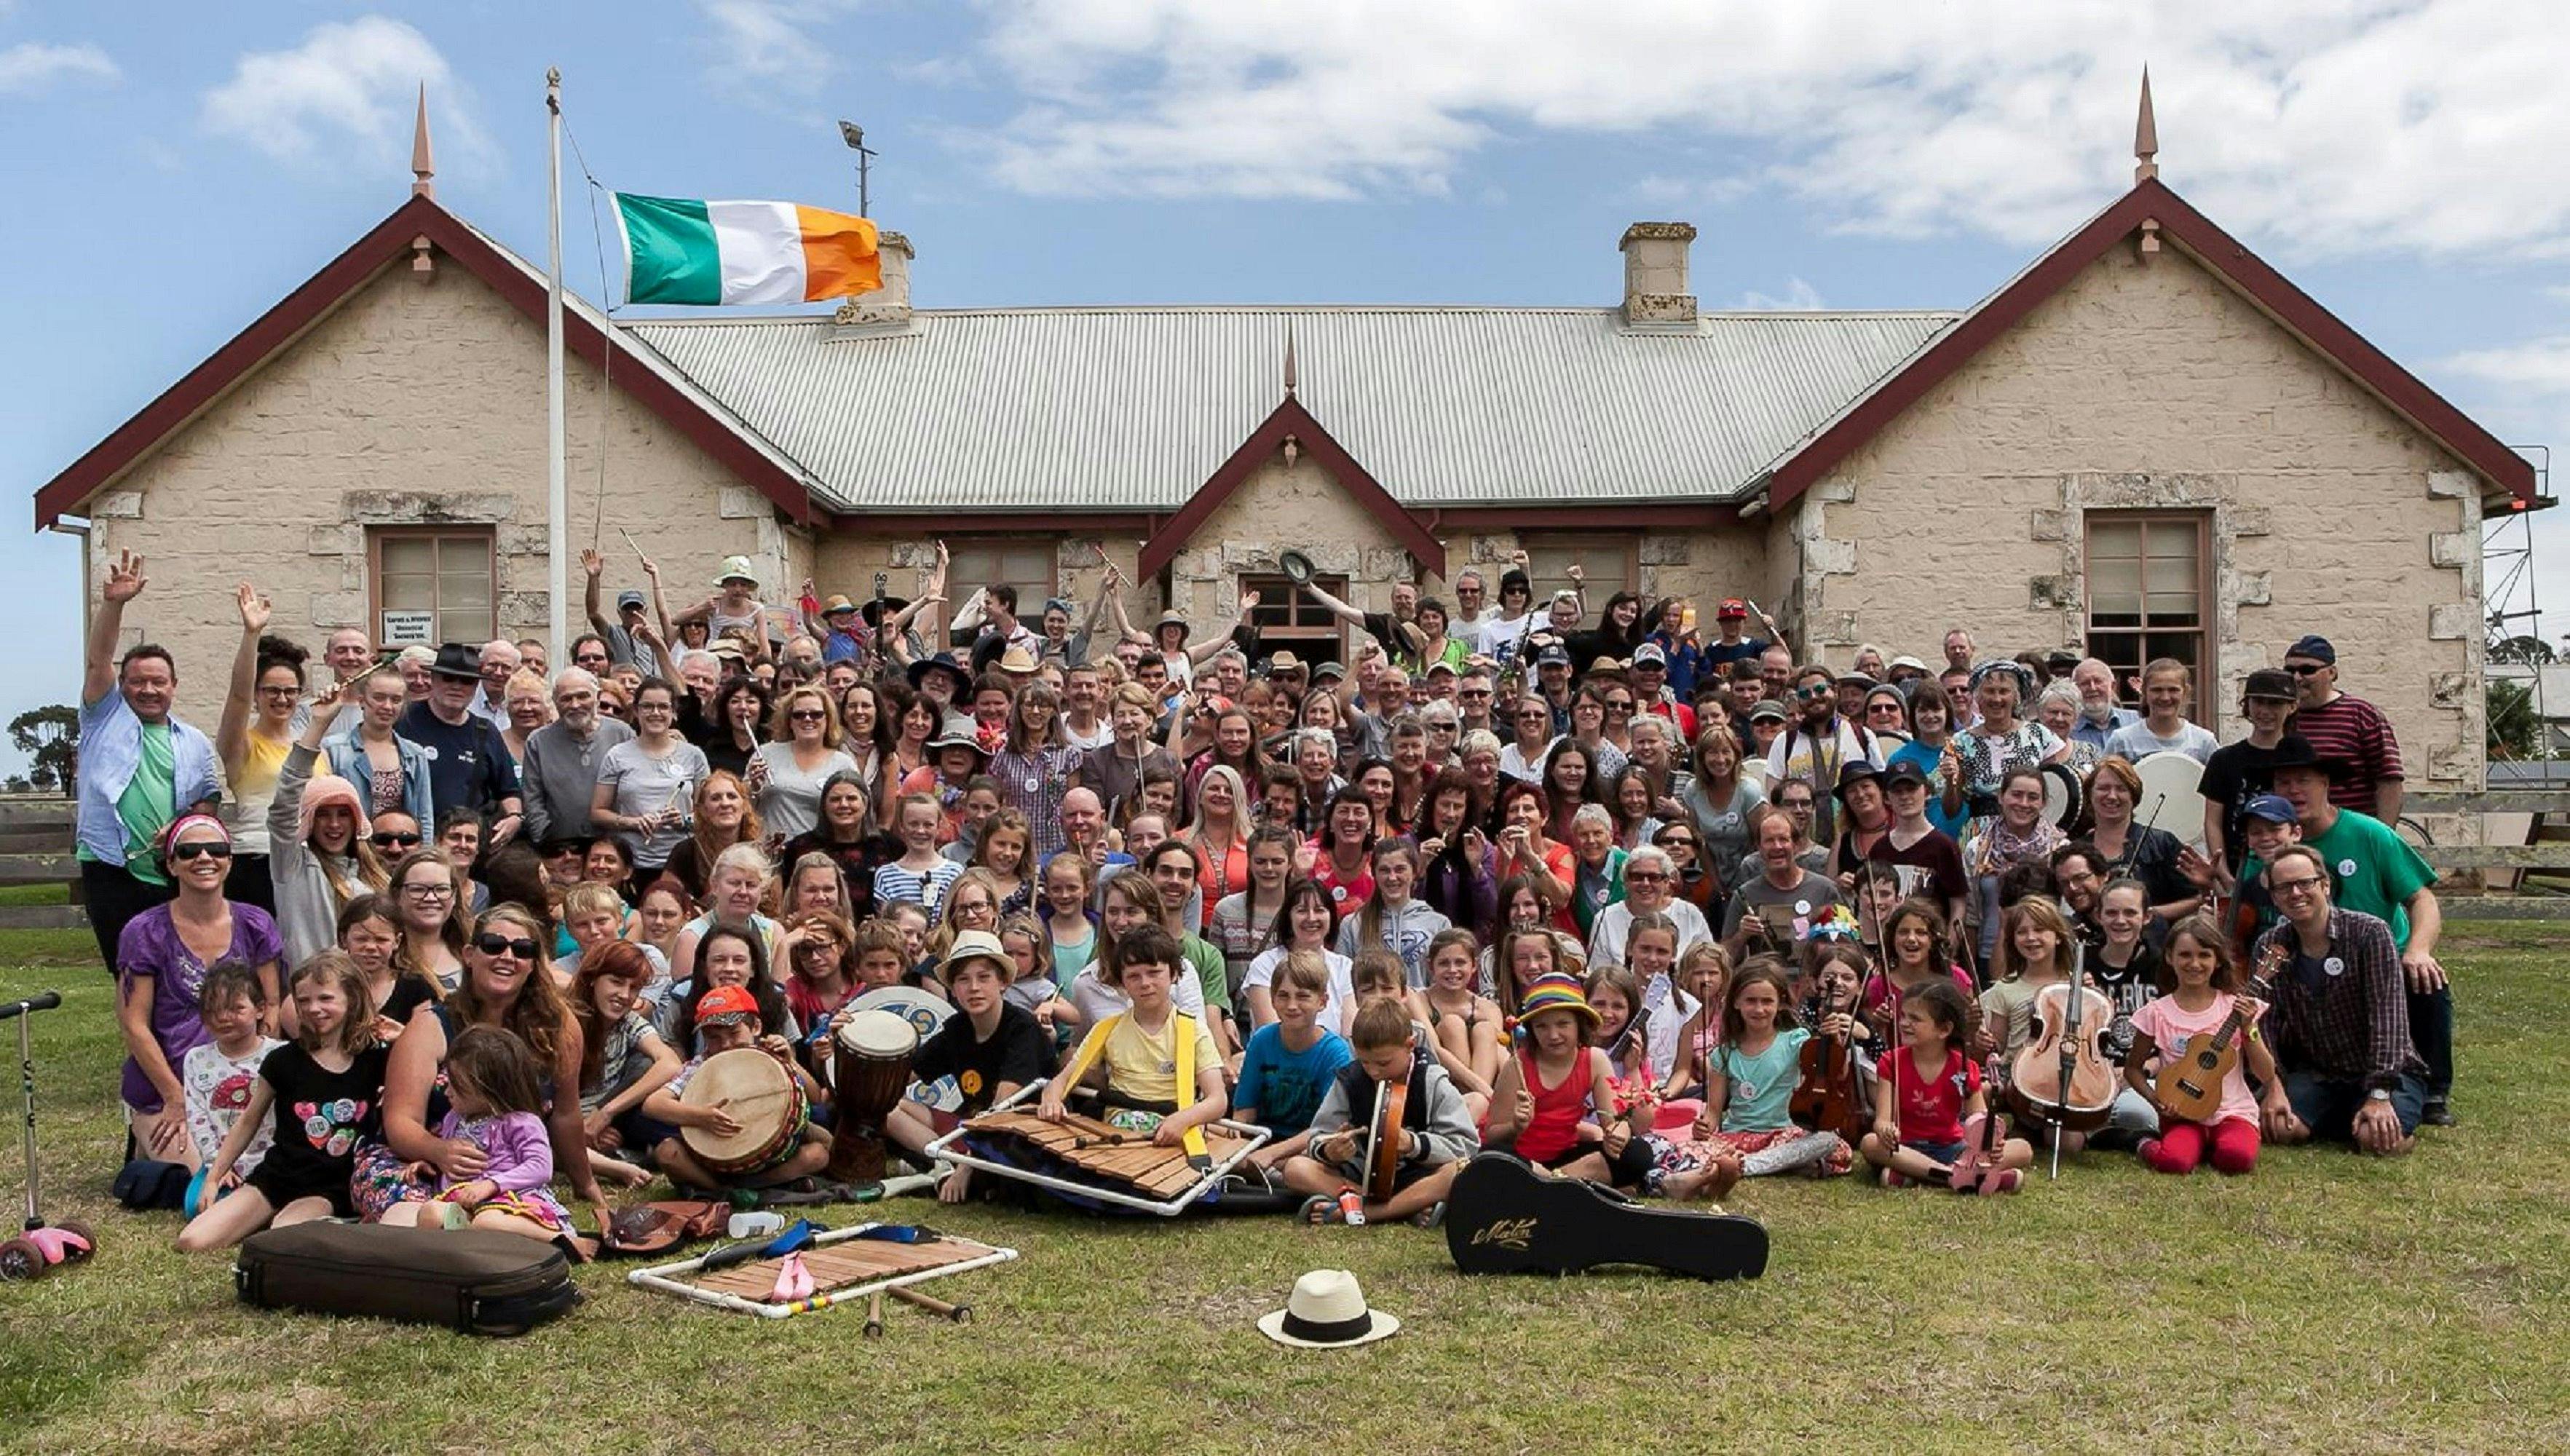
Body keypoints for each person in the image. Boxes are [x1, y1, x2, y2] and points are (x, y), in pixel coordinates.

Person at [2242, 740, 2451, 1125]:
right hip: (2301, 961)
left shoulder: (2370, 834)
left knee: (2426, 981)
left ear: (2326, 784)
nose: (2293, 790)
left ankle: (2433, 1092)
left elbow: (2422, 898)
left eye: (2303, 780)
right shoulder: (2266, 850)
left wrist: (2418, 949)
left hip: (2380, 957)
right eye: (2283, 782)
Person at [365, 904, 612, 1230]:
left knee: (499, 1218)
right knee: (412, 1217)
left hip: (501, 1169)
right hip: (419, 1161)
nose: (507, 957)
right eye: (494, 945)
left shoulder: (559, 1027)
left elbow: (566, 1115)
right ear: (470, 954)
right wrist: (439, 1151)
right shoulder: (430, 1025)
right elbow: (400, 1120)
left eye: (523, 950)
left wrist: (587, 1185)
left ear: (534, 963)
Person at [175, 952, 389, 1251]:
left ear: (351, 998)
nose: (314, 1009)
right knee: (192, 1240)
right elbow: (248, 1121)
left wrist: (402, 1036)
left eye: (325, 998)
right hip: (279, 1175)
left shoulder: (376, 1058)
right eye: (303, 1001)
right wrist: (213, 1177)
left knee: (281, 1238)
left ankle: (334, 1222)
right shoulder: (283, 1060)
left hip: (332, 1184)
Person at [79, 550, 222, 970]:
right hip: (108, 863)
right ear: (121, 686)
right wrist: (115, 604)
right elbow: (98, 660)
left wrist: (180, 829)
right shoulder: (103, 719)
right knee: (127, 969)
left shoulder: (194, 742)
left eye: (158, 682)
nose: (148, 690)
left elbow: (207, 802)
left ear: (174, 686)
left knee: (177, 967)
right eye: (137, 681)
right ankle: (135, 1036)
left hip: (172, 869)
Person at [117, 816, 285, 1166]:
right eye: (189, 851)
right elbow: (135, 1025)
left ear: (230, 861)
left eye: (218, 850)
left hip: (243, 1085)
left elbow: (270, 1004)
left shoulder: (256, 923)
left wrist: (260, 1079)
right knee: (206, 1173)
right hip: (167, 1090)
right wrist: (175, 1097)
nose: (205, 858)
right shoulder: (144, 932)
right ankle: (144, 1137)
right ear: (171, 864)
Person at [2251, 844, 2427, 1155]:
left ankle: (2384, 1114)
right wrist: (2273, 1086)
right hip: (2320, 1073)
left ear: (2326, 885)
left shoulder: (2370, 933)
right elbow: (2264, 1023)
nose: (2296, 893)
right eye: (2284, 887)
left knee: (2379, 1141)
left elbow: (2389, 1016)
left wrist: (2380, 1094)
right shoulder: (2270, 945)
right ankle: (2344, 1118)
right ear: (2275, 897)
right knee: (2278, 1129)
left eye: (2305, 883)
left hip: (2385, 1072)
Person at [373, 1026, 579, 1248]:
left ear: (488, 1087)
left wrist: (492, 1185)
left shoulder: (521, 1122)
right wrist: (430, 1165)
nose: (448, 1092)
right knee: (427, 1212)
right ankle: (433, 1257)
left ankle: (562, 1241)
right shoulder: (454, 1119)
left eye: (457, 1085)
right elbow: (452, 1165)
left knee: (487, 1222)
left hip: (510, 1203)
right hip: (463, 1204)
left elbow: (541, 1167)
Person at [1653, 960, 1851, 1190]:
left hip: (1785, 1135)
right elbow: (1714, 1112)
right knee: (1685, 1149)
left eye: (1767, 1002)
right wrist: (1704, 1126)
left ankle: (1745, 1167)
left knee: (1828, 1140)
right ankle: (1771, 1165)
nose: (1759, 1009)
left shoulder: (1796, 1041)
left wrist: (1833, 1040)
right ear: (1736, 1002)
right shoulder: (1724, 1054)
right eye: (1751, 1001)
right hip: (1738, 1137)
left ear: (1780, 1004)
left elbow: (1836, 1074)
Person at [1281, 997, 1479, 1227]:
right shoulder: (1350, 1080)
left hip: (1416, 1178)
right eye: (1365, 1062)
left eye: (1383, 1063)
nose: (1374, 1071)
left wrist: (1413, 1144)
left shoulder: (1432, 1081)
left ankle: (1363, 1211)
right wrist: (1330, 1150)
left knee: (1458, 1171)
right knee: (1295, 1169)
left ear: (1410, 1045)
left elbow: (1466, 1146)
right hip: (1360, 1178)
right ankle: (1403, 1209)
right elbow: (1317, 1137)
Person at [887, 930, 1051, 1203]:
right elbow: (903, 1075)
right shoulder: (958, 1028)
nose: (974, 988)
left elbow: (1002, 1108)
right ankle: (942, 1165)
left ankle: (947, 1167)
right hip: (972, 1128)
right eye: (963, 979)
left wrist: (966, 1167)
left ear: (1003, 983)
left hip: (1017, 1135)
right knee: (890, 1108)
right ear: (954, 989)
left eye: (984, 977)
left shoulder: (1022, 1028)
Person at [2127, 914, 2290, 1176]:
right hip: (2183, 1112)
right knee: (2175, 1163)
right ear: (2169, 957)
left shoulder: (2236, 1006)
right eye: (2185, 955)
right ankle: (2144, 1143)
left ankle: (2213, 1145)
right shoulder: (2156, 1013)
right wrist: (2156, 1100)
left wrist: (2249, 1028)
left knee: (2236, 1159)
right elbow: (2133, 1069)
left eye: (2204, 955)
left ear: (2217, 961)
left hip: (2232, 1112)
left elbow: (2266, 1073)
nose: (2195, 963)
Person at [1038, 925, 1229, 1150]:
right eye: (1134, 976)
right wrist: (1051, 1099)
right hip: (1115, 1136)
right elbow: (1062, 1080)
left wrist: (1183, 1120)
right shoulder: (1106, 1029)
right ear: (1123, 983)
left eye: (1154, 972)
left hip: (1171, 1133)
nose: (1145, 983)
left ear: (1174, 974)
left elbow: (1217, 1100)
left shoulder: (1193, 1030)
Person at [644, 985, 833, 1191]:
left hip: (772, 1147)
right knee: (667, 1153)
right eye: (714, 1037)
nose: (725, 1044)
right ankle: (720, 1189)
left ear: (756, 1027)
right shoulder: (700, 1066)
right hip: (715, 1152)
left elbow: (815, 1098)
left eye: (734, 1032)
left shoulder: (770, 1055)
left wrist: (791, 1063)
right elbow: (653, 1104)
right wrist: (702, 1116)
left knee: (821, 1151)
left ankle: (752, 1186)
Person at [1483, 973, 1652, 1190]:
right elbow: (1493, 1135)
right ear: (1531, 1030)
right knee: (1493, 1158)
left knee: (1638, 1153)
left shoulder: (1595, 1060)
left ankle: (1547, 1186)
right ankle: (1565, 1188)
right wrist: (1515, 1126)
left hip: (1568, 1158)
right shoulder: (1517, 1065)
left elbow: (1614, 1119)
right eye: (1542, 1026)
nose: (1553, 1035)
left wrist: (1619, 1134)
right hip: (1522, 1159)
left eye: (1563, 1024)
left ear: (1579, 1024)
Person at [1862, 978, 2028, 1192]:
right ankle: (1956, 1175)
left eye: (1915, 1019)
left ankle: (1920, 1174)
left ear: (1944, 1030)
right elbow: (1882, 1120)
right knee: (1870, 1143)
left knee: (2023, 1149)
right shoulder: (1890, 1062)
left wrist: (1992, 1144)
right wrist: (1885, 1129)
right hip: (1906, 1146)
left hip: (1953, 1148)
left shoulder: (1964, 1067)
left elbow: (1980, 1121)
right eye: (1903, 1016)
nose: (1903, 1023)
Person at [268, 689, 393, 967]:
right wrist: (319, 725)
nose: (334, 825)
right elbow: (285, 803)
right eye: (322, 814)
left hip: (365, 994)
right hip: (312, 995)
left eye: (343, 814)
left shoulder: (378, 878)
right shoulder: (293, 865)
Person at [214, 586, 303, 913]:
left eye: (290, 691)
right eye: (272, 691)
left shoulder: (311, 748)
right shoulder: (242, 744)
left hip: (303, 861)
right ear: (258, 694)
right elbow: (237, 697)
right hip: (256, 860)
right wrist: (251, 635)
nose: (282, 699)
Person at [1233, 951, 1356, 1174]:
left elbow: (1327, 1127)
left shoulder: (1335, 1052)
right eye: (1283, 996)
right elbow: (1245, 1110)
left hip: (1309, 1144)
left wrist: (1271, 1154)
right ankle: (1260, 1169)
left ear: (1322, 1002)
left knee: (1305, 1166)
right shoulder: (1262, 1040)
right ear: (1272, 1000)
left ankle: (1269, 1170)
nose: (1292, 1006)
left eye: (1302, 996)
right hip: (1264, 1136)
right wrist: (1237, 1141)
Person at [398, 643, 523, 836]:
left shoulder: (486, 732)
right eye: (448, 678)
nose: (457, 687)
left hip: (466, 845)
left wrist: (514, 818)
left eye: (467, 681)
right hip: (410, 841)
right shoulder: (403, 720)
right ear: (433, 679)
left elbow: (509, 790)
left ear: (475, 686)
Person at [178, 960, 282, 1185]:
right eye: (213, 1010)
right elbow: (198, 1118)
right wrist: (218, 1166)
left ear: (260, 1009)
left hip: (274, 1163)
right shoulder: (196, 1059)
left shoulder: (280, 1054)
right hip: (221, 1166)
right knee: (197, 1204)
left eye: (236, 1008)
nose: (223, 1018)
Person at [2280, 634, 2403, 820]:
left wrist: (2383, 838)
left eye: (2307, 670)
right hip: (2293, 834)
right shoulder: (2282, 716)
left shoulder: (2361, 714)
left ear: (2332, 673)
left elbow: (2389, 780)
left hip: (2351, 833)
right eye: (2290, 670)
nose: (2297, 678)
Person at [2200, 668, 2301, 880]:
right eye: (2258, 702)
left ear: (2292, 707)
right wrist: (2223, 874)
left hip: (2292, 872)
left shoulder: (2302, 757)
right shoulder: (2223, 760)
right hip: (2239, 873)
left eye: (2274, 704)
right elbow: (2213, 822)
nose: (2265, 711)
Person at [1765, 665, 1881, 844]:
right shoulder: (1784, 742)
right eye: (1805, 694)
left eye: (1820, 690)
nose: (1813, 697)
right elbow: (1774, 800)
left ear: (1835, 691)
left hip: (1853, 841)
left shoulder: (1863, 736)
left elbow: (1879, 792)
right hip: (1801, 845)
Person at [521, 668, 635, 847]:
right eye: (566, 699)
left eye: (583, 696)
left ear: (597, 697)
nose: (575, 705)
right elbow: (533, 799)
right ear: (555, 703)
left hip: (614, 846)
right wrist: (545, 839)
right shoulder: (538, 742)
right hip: (561, 846)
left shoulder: (622, 734)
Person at [1724, 809, 1843, 957]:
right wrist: (1741, 935)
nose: (1777, 847)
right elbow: (1724, 959)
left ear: (1796, 845)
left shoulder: (1825, 889)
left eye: (1783, 839)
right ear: (1759, 847)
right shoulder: (1744, 895)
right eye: (1769, 841)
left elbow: (1847, 947)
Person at [1334, 837, 1450, 988]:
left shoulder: (1438, 924)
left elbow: (1443, 984)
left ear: (1415, 871)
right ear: (1374, 874)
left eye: (1400, 869)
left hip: (1420, 1010)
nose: (1392, 877)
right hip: (1370, 1010)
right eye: (1384, 870)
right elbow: (1342, 983)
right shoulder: (1353, 924)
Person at [2103, 658, 2221, 764]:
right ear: (2144, 692)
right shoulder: (2122, 741)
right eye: (2157, 690)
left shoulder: (2204, 742)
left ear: (2185, 693)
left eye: (2173, 690)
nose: (2165, 697)